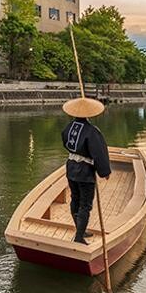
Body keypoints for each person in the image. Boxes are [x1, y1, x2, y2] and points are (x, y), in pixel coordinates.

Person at [61, 97, 112, 245]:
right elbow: (99, 152)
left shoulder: (69, 127)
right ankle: (78, 237)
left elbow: (64, 141)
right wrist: (105, 171)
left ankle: (80, 230)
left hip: (71, 167)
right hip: (85, 171)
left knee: (75, 199)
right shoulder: (92, 131)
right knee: (85, 204)